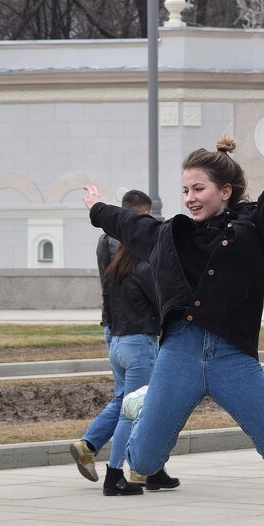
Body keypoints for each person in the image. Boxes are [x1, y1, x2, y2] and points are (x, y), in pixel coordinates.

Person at [82, 135, 264, 482]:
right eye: (185, 190)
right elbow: (131, 224)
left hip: (233, 357)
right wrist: (98, 208)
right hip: (180, 354)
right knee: (142, 465)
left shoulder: (255, 229)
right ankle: (145, 403)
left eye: (198, 189)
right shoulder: (171, 237)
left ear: (225, 191)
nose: (189, 198)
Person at [70, 190, 173, 496]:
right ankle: (116, 475)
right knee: (134, 409)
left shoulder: (114, 264)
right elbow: (163, 306)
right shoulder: (144, 269)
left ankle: (139, 466)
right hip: (139, 344)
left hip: (117, 340)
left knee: (123, 401)